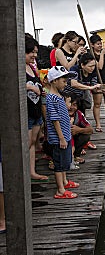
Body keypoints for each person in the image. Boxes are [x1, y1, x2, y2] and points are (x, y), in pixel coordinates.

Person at [46, 66, 79, 199]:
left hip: (65, 135)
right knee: (59, 164)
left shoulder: (59, 96)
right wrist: (61, 138)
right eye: (63, 81)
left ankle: (65, 182)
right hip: (59, 138)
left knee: (65, 161)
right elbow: (55, 119)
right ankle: (60, 190)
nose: (65, 83)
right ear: (54, 81)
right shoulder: (52, 98)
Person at [26, 36, 48, 181]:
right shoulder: (16, 67)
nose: (34, 55)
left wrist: (40, 89)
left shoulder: (32, 67)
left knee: (33, 142)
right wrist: (31, 87)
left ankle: (32, 171)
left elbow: (35, 84)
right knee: (27, 143)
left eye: (35, 52)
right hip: (26, 112)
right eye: (31, 53)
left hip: (36, 110)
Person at [68, 94, 94, 163]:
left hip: (73, 139)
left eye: (74, 105)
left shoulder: (78, 114)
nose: (71, 107)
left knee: (85, 136)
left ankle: (76, 155)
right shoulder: (60, 114)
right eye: (70, 104)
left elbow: (90, 130)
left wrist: (79, 130)